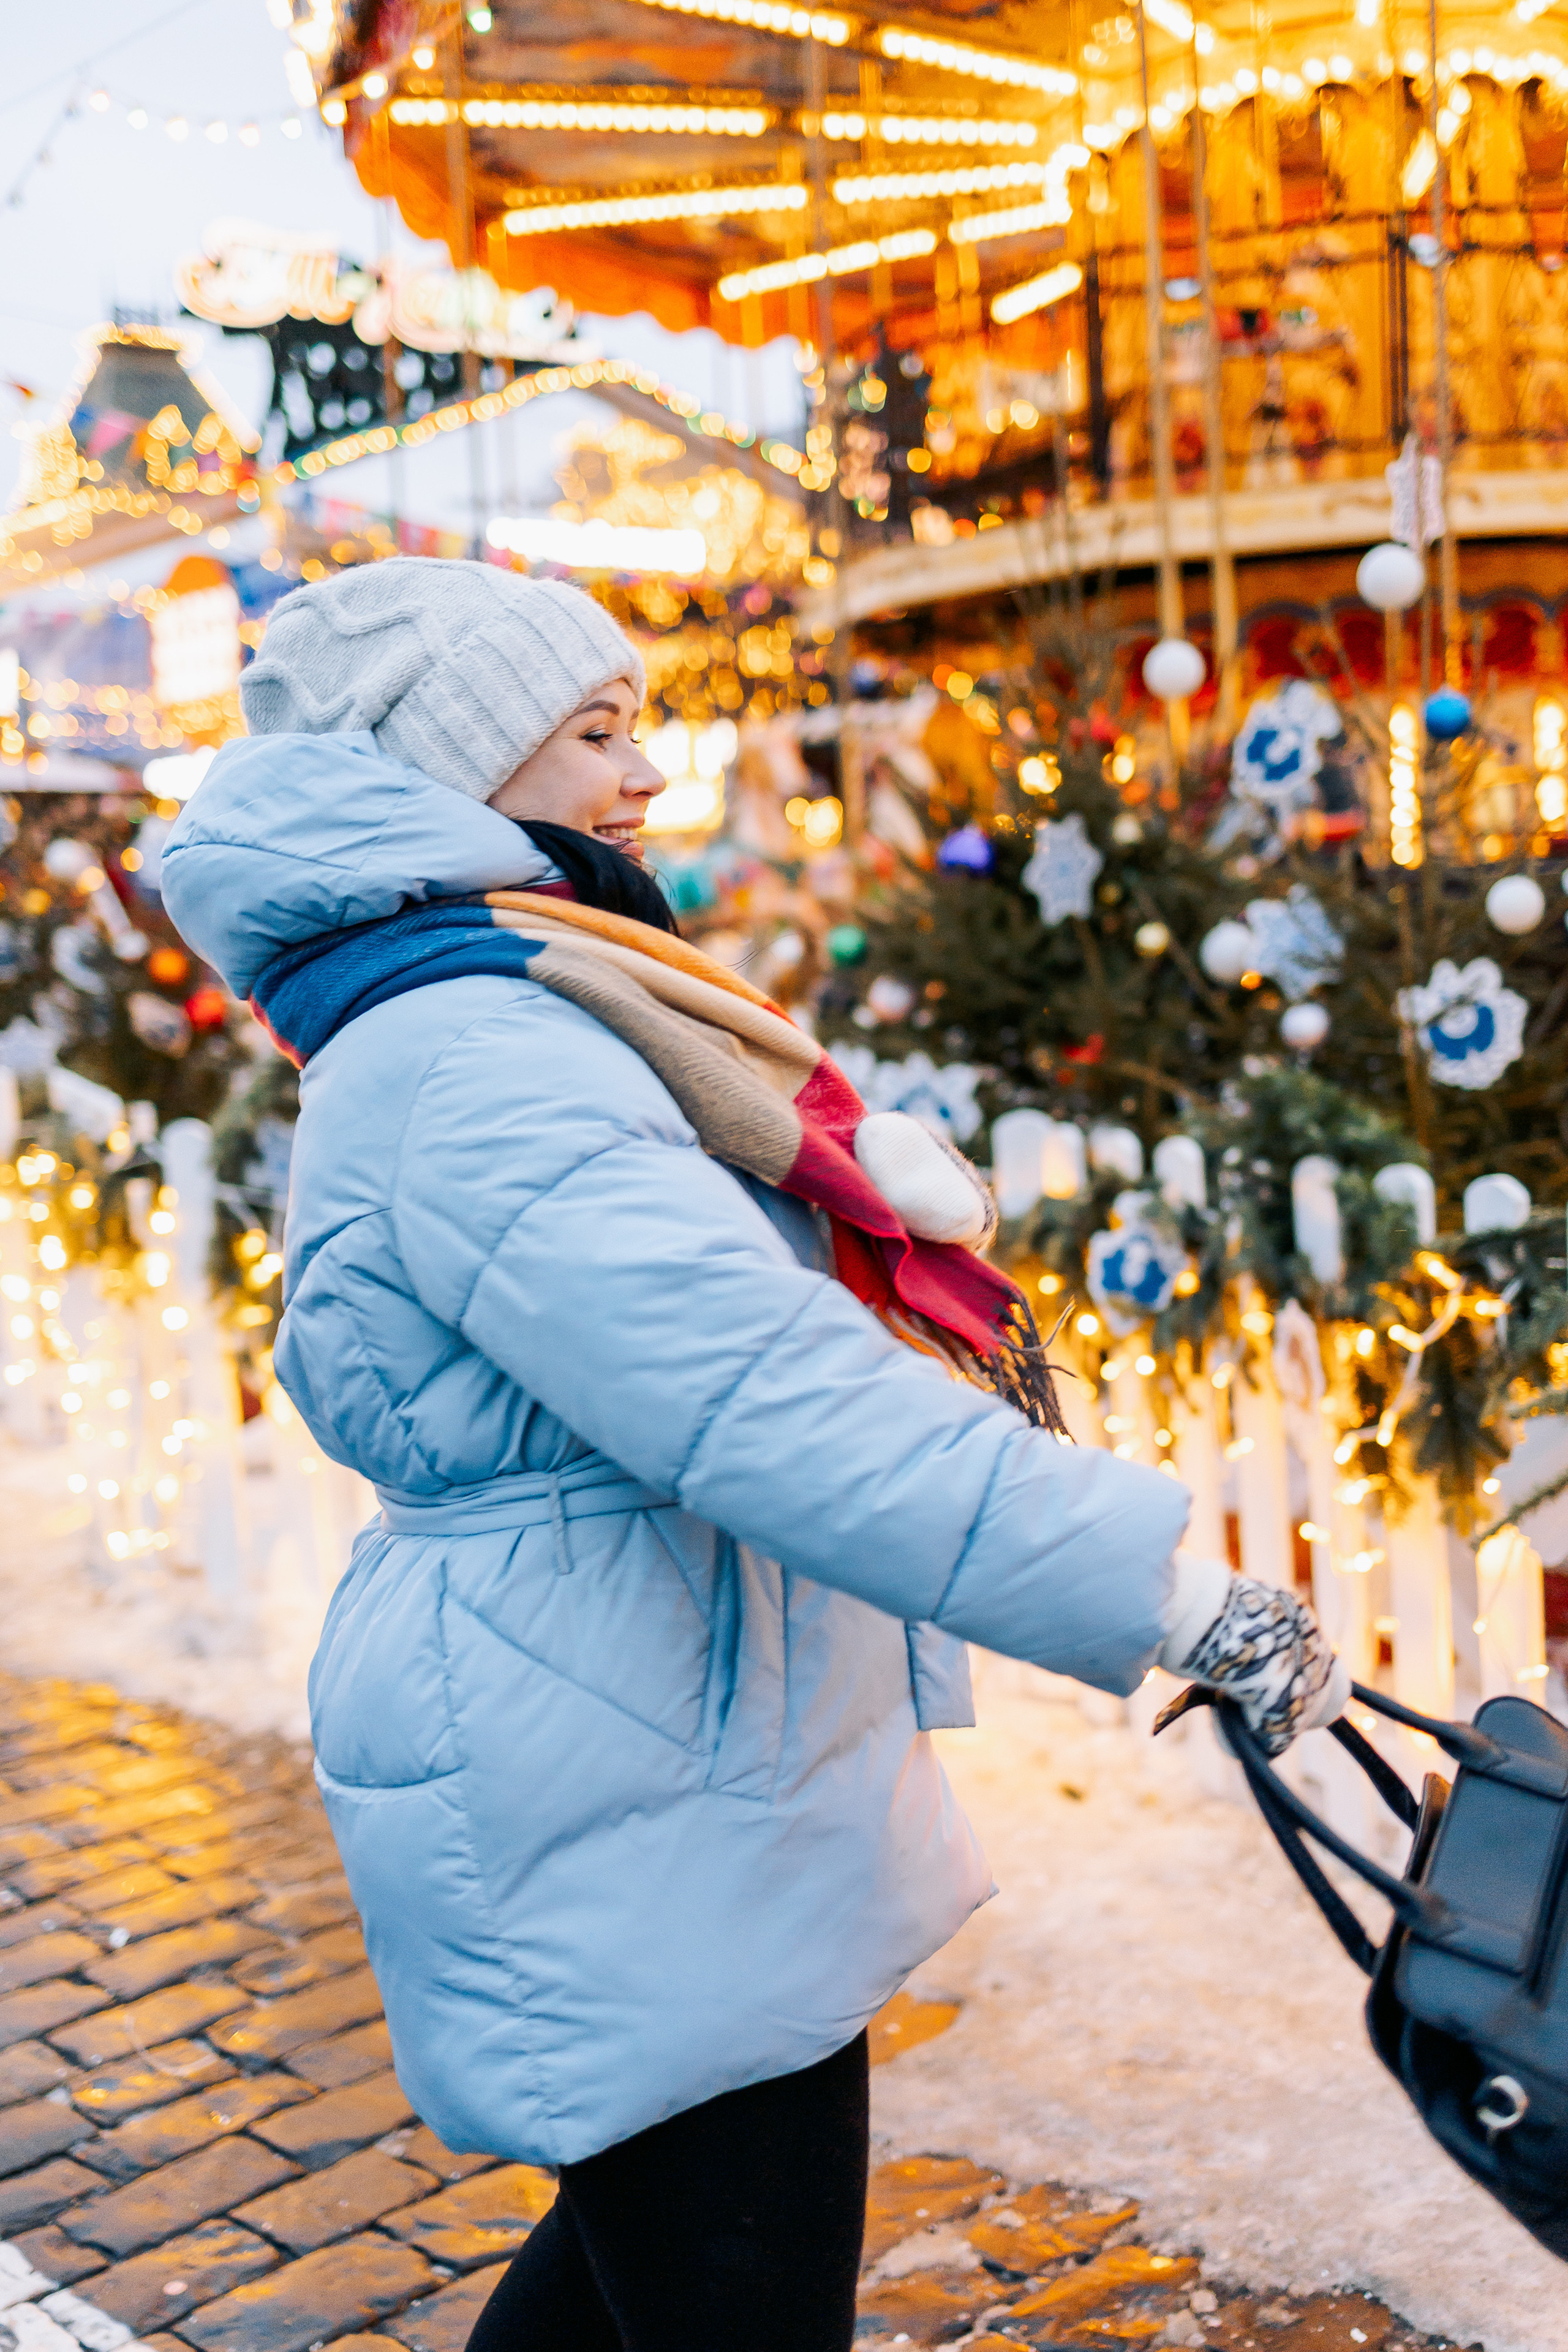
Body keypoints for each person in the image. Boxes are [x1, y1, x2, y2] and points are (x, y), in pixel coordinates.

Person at [162, 559, 1348, 2352]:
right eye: (592, 733)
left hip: (637, 1721)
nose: (645, 776)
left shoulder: (497, 1002)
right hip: (626, 1755)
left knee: (635, 2293)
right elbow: (771, 1407)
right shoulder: (482, 1052)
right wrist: (1177, 1596)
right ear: (446, 775)